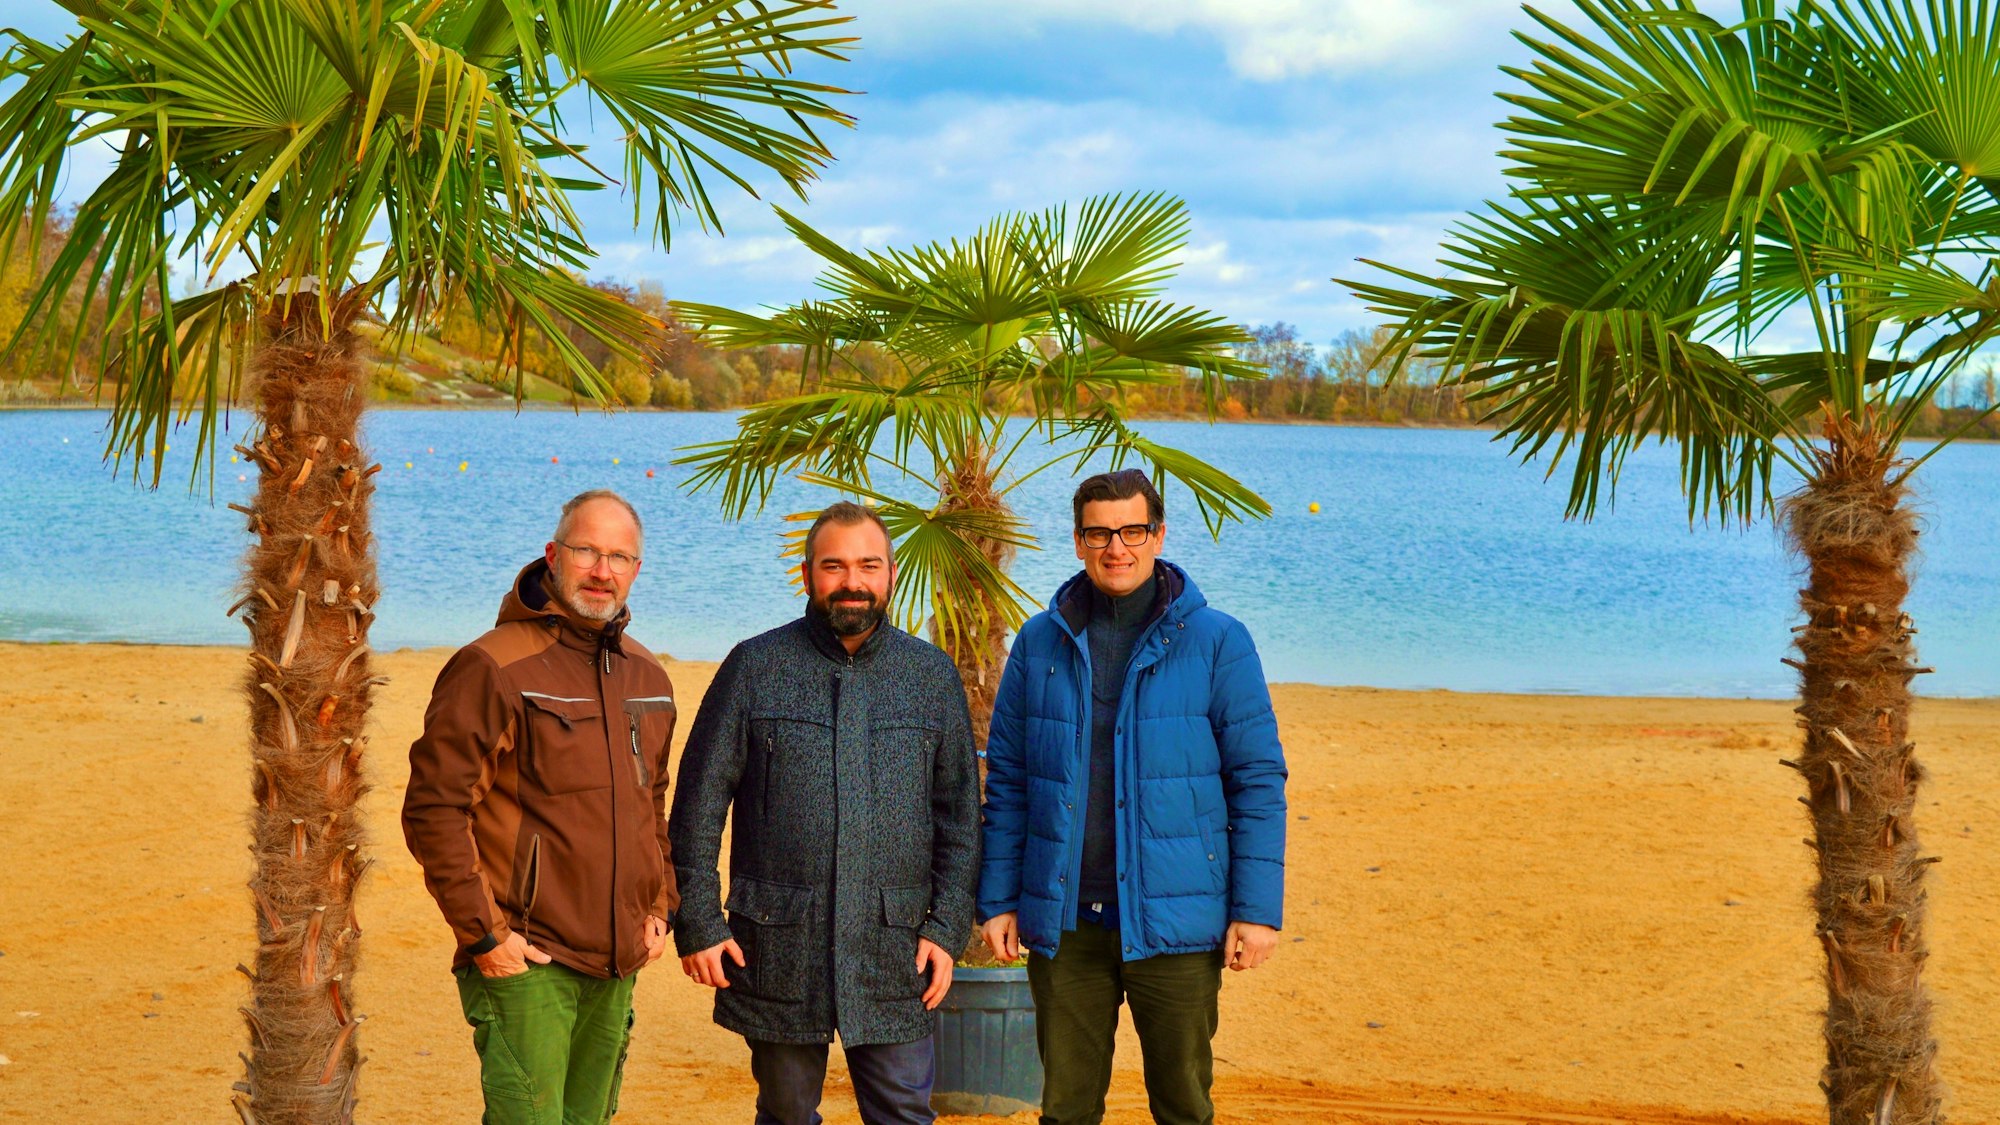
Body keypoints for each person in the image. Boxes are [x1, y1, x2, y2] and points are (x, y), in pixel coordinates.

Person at [976, 468, 1288, 1125]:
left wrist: (1256, 910)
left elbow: (1256, 778)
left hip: (1175, 927)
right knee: (1064, 1109)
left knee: (1181, 1105)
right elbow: (1007, 779)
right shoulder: (1039, 642)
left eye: (1132, 530)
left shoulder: (1218, 641)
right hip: (1066, 928)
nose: (1116, 546)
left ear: (1159, 533)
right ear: (1078, 540)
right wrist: (999, 898)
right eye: (1099, 532)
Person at [669, 501, 982, 1125]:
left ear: (891, 573)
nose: (852, 581)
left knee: (902, 1113)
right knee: (785, 1113)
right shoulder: (754, 666)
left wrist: (946, 929)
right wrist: (700, 921)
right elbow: (698, 803)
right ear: (808, 574)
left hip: (895, 948)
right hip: (780, 939)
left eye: (868, 565)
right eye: (833, 566)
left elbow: (960, 819)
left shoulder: (929, 675)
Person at [402, 489, 678, 1124]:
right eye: (586, 551)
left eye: (620, 556)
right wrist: (484, 936)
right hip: (527, 961)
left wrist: (660, 901)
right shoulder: (491, 665)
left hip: (617, 965)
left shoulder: (649, 678)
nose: (602, 570)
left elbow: (651, 804)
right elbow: (434, 809)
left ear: (638, 568)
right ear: (553, 555)